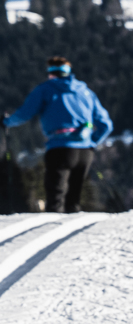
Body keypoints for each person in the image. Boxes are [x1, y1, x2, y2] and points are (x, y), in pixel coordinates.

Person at [5, 55, 114, 214]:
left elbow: (24, 114)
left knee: (55, 199)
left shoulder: (45, 89)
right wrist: (92, 142)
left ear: (51, 72)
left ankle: (51, 232)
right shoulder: (86, 92)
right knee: (73, 200)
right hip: (85, 152)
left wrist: (6, 122)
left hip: (60, 148)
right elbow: (106, 125)